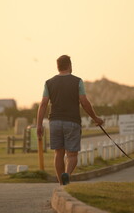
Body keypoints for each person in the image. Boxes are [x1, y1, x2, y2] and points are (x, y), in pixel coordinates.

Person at [36, 55, 104, 185]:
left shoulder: (49, 83)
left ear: (58, 67)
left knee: (58, 153)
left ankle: (62, 184)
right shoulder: (77, 81)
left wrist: (39, 125)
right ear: (70, 65)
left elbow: (43, 104)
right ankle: (67, 174)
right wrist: (95, 118)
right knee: (72, 155)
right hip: (72, 122)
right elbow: (84, 102)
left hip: (54, 122)